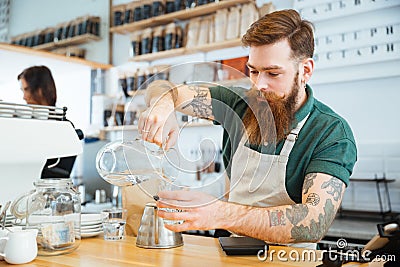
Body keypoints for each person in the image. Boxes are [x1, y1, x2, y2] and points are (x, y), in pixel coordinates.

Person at [138, 9, 357, 248]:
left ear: (305, 70)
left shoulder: (330, 132)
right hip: (232, 253)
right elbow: (160, 86)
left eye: (273, 73)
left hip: (290, 261)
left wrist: (218, 213)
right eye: (253, 71)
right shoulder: (238, 104)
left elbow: (313, 222)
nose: (259, 84)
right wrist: (164, 106)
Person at [17, 65, 82, 178]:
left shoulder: (64, 126)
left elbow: (62, 172)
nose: (24, 97)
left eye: (26, 90)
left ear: (40, 90)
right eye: (22, 91)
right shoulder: (25, 123)